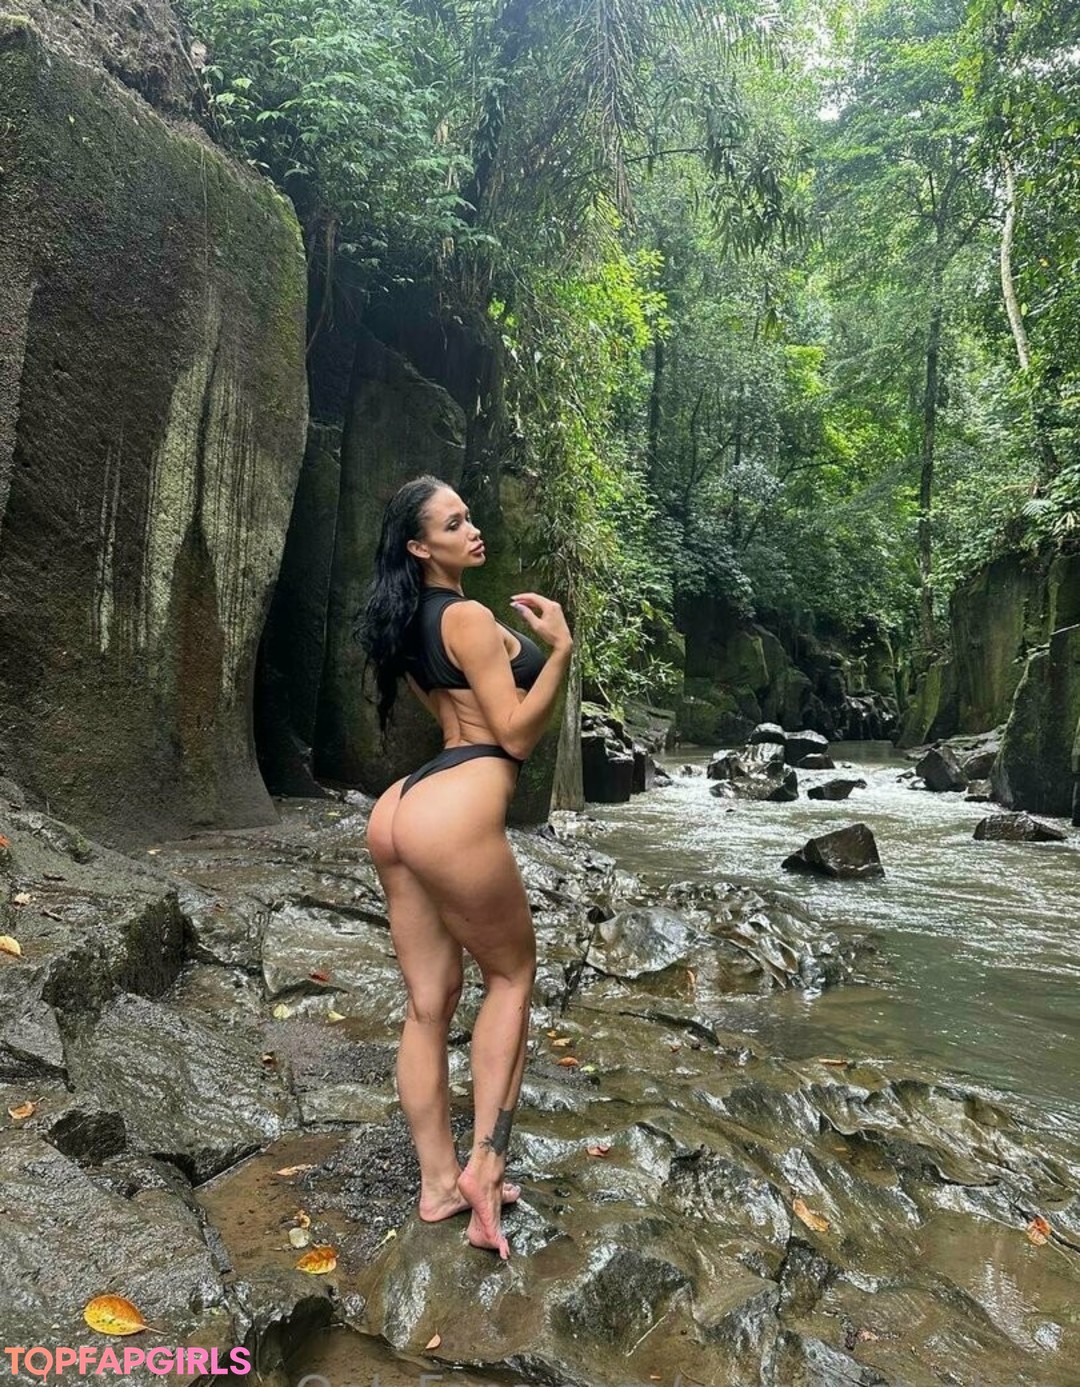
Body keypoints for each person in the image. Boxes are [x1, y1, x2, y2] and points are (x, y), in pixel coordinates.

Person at [360, 475, 573, 1259]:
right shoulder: (469, 617)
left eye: (468, 517)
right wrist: (560, 652)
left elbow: (455, 718)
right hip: (457, 805)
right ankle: (485, 1168)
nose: (471, 529)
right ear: (421, 546)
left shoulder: (405, 623)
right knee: (512, 976)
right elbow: (511, 735)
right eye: (453, 523)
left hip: (401, 809)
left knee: (428, 1006)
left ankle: (438, 1183)